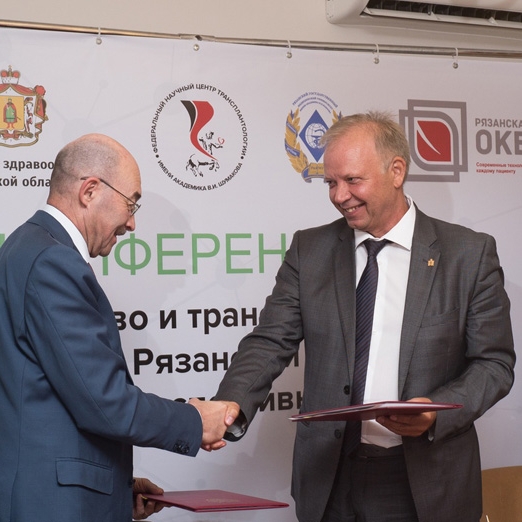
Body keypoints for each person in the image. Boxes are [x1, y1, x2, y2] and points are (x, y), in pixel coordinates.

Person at [214, 111, 515, 522]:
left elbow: (494, 363)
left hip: (426, 482)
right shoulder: (309, 250)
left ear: (396, 171)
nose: (340, 196)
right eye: (331, 183)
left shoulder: (468, 254)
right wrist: (228, 406)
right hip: (329, 478)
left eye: (353, 180)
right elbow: (269, 341)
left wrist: (434, 409)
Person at [0, 133, 239, 522]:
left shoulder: (26, 247)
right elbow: (105, 402)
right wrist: (196, 422)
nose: (131, 222)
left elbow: (47, 399)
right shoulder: (52, 262)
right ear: (90, 191)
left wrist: (115, 491)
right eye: (131, 204)